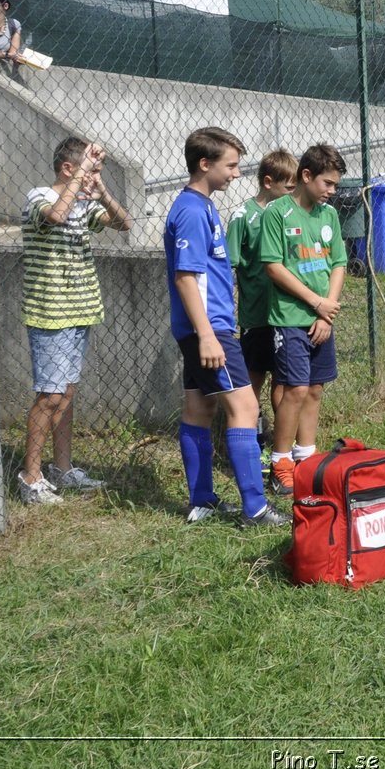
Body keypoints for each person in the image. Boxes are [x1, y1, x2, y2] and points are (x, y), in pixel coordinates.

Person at [163, 127, 284, 527]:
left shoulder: (202, 206)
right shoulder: (193, 211)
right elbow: (186, 278)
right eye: (230, 165)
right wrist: (209, 335)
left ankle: (202, 502)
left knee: (200, 407)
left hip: (202, 329)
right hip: (209, 330)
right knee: (246, 408)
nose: (235, 173)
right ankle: (256, 509)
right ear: (204, 164)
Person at [15, 138, 130, 504]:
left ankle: (61, 470)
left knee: (66, 393)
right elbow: (55, 217)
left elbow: (124, 223)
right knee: (49, 395)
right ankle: (30, 476)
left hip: (81, 309)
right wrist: (83, 177)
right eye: (90, 170)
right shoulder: (40, 197)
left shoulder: (84, 202)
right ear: (69, 169)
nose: (94, 176)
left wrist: (102, 192)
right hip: (50, 313)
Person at [257, 144, 348, 495]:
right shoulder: (277, 213)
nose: (332, 191)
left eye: (336, 185)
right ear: (306, 176)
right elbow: (273, 265)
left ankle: (306, 458)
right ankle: (280, 463)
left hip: (322, 318)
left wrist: (328, 310)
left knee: (314, 389)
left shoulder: (329, 216)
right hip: (290, 318)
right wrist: (314, 301)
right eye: (328, 183)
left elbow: (338, 264)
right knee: (294, 389)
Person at [225, 148, 296, 464]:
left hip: (285, 314)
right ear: (269, 182)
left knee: (285, 381)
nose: (293, 194)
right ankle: (249, 441)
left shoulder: (288, 214)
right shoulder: (243, 217)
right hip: (255, 316)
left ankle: (282, 444)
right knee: (252, 381)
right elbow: (228, 267)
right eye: (289, 187)